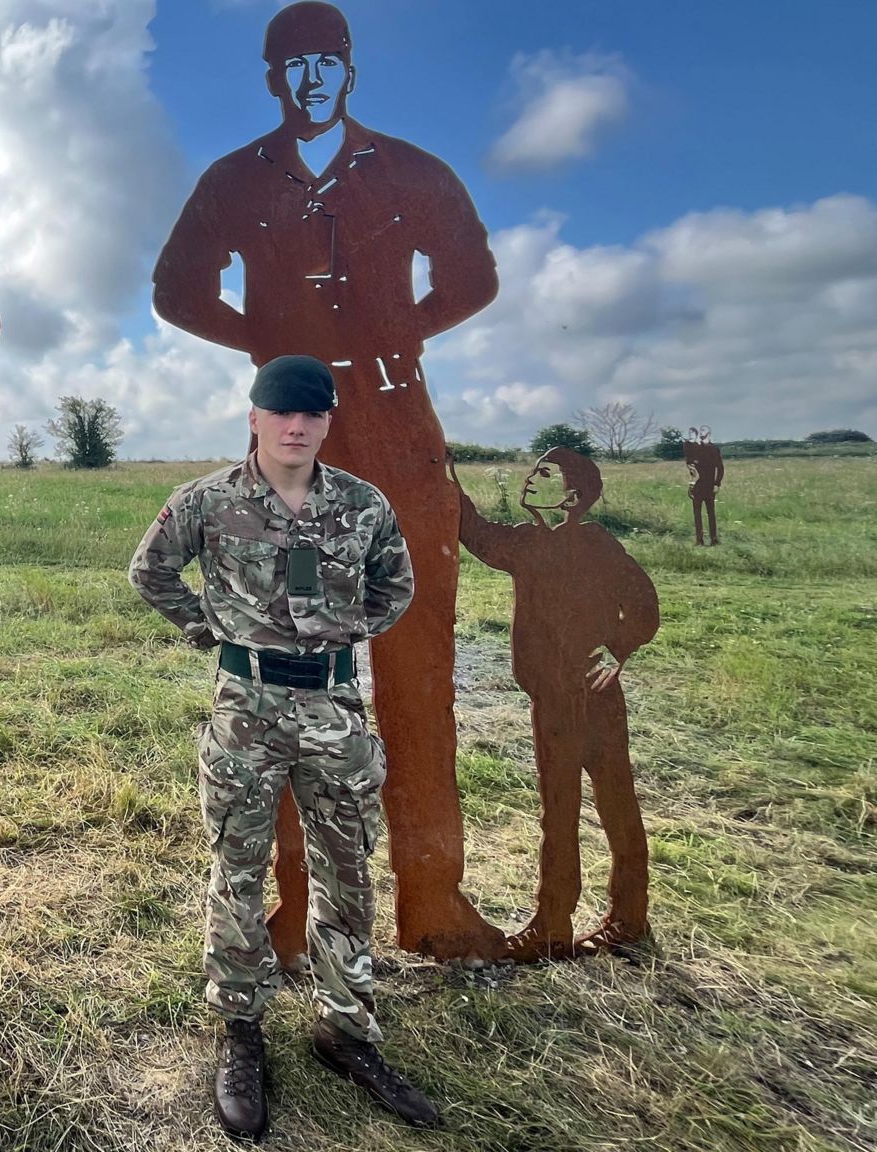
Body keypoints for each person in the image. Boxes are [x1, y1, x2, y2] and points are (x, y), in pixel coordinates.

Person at [152, 0, 504, 962]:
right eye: (293, 65)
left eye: (326, 63)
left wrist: (396, 333)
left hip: (394, 418)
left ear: (349, 72)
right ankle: (294, 915)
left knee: (416, 664)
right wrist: (269, 343)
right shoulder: (234, 180)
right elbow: (176, 287)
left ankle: (434, 901)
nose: (310, 79)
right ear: (272, 78)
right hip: (293, 430)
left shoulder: (410, 170)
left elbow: (473, 275)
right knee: (293, 672)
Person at [130, 356, 438, 1140]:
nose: (295, 426)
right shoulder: (207, 501)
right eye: (281, 413)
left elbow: (393, 589)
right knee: (235, 865)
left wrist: (338, 638)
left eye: (311, 414)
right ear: (255, 418)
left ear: (328, 423)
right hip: (247, 710)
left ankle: (346, 1027)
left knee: (346, 868)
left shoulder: (363, 505)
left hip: (334, 709)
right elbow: (151, 571)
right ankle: (240, 1030)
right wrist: (211, 629)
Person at [457, 448, 659, 959]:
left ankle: (618, 918)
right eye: (533, 469)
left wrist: (617, 650)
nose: (531, 478)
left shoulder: (596, 544)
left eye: (545, 474)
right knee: (561, 810)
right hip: (551, 701)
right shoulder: (525, 544)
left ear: (570, 496)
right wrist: (443, 473)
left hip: (594, 700)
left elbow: (643, 602)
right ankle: (560, 922)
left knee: (611, 803)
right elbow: (474, 531)